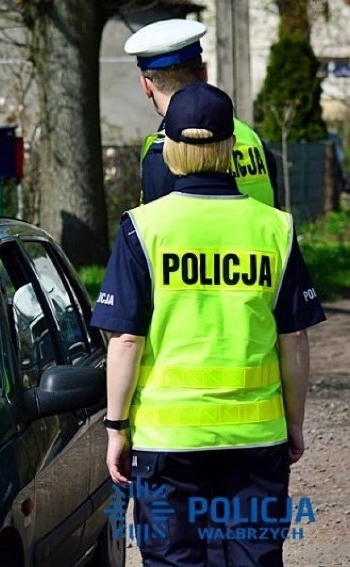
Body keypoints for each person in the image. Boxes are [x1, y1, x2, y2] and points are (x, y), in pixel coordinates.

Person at [90, 82, 325, 566]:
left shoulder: (143, 228)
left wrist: (116, 428)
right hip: (256, 440)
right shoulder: (275, 228)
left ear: (171, 149)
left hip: (167, 442)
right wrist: (294, 422)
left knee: (173, 559)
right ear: (231, 150)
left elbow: (126, 339)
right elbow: (294, 338)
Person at [125, 19, 280, 206]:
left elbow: (153, 230)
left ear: (146, 86)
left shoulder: (163, 151)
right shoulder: (251, 138)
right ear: (204, 73)